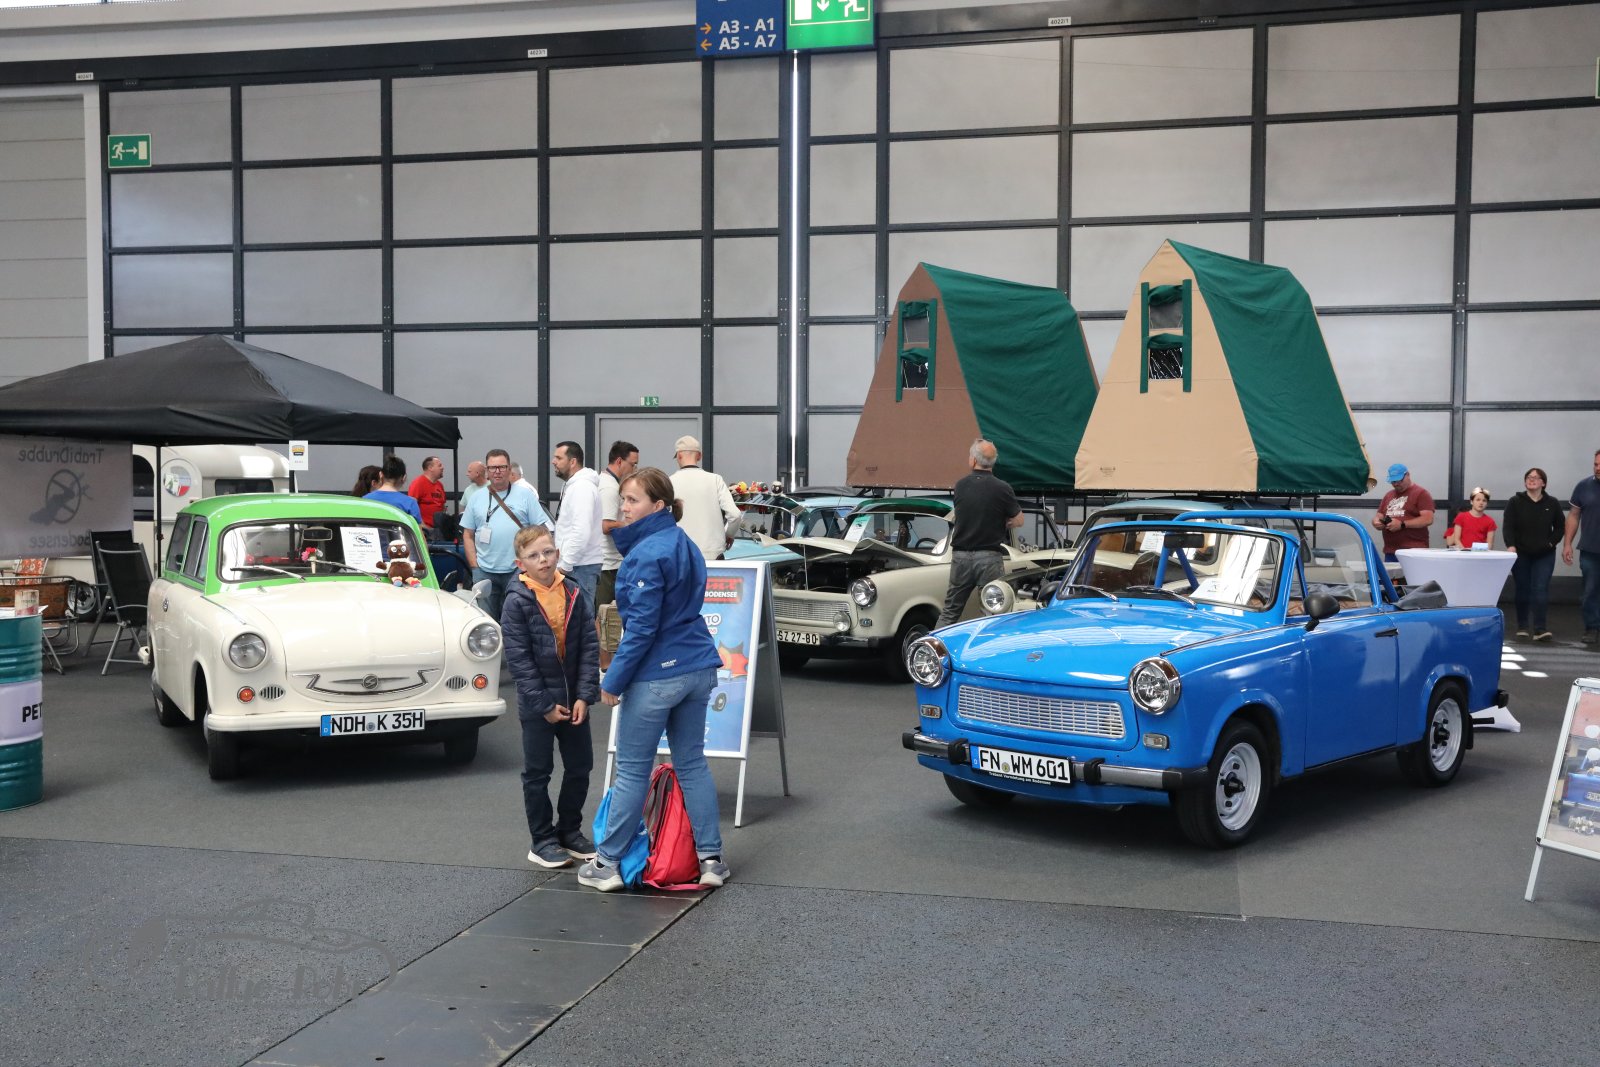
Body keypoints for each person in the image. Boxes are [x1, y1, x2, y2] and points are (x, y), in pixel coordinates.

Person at [578, 467, 729, 893]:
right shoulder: (684, 543)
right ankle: (712, 861)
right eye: (623, 499)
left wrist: (613, 680)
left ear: (658, 505)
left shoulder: (645, 553)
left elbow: (642, 628)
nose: (624, 508)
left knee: (631, 770)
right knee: (692, 763)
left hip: (658, 673)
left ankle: (607, 864)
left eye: (633, 500)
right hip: (698, 665)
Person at [501, 524, 599, 869]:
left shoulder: (573, 590)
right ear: (520, 564)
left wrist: (585, 695)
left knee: (580, 767)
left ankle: (569, 831)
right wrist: (543, 704)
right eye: (533, 556)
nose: (542, 560)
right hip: (538, 706)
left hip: (574, 701)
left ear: (557, 554)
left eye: (547, 552)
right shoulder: (516, 601)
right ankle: (542, 839)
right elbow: (519, 661)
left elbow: (589, 646)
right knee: (538, 772)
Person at [936, 438, 1023, 627]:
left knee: (950, 611)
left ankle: (935, 643)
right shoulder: (1002, 488)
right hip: (989, 558)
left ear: (974, 460)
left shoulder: (960, 486)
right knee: (991, 611)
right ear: (993, 462)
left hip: (960, 557)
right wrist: (1002, 522)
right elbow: (1019, 520)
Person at [461, 448, 552, 622]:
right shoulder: (476, 498)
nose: (497, 471)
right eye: (493, 468)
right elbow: (468, 534)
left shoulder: (525, 495)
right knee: (487, 621)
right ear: (487, 471)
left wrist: (532, 564)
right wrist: (475, 567)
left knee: (518, 620)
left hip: (518, 570)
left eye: (502, 467)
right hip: (484, 571)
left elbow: (541, 532)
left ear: (509, 469)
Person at [1503, 467, 1565, 642]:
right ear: (1525, 481)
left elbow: (1560, 527)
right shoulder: (1515, 502)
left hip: (1544, 554)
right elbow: (1508, 526)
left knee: (1540, 588)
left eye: (1536, 478)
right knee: (1522, 588)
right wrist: (1511, 545)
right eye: (1529, 477)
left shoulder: (1552, 503)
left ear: (1543, 483)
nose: (1532, 480)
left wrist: (1551, 543)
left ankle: (1540, 629)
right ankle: (1522, 626)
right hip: (1521, 553)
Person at [551, 440, 605, 612]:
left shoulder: (582, 487)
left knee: (580, 620)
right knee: (573, 619)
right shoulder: (573, 485)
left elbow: (581, 531)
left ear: (573, 461)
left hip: (579, 567)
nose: (553, 461)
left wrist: (565, 566)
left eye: (558, 458)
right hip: (576, 565)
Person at [668, 434, 740, 561]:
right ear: (699, 456)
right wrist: (729, 535)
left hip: (682, 555)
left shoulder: (669, 482)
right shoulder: (715, 480)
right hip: (713, 555)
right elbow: (735, 514)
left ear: (678, 456)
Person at [596, 440, 641, 612]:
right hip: (608, 565)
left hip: (610, 562)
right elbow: (606, 525)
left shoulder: (606, 481)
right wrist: (633, 524)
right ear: (619, 461)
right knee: (604, 615)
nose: (635, 469)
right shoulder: (609, 487)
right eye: (633, 464)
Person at [1562, 449, 1600, 645]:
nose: (1598, 468)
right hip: (1590, 551)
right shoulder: (1583, 486)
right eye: (1596, 464)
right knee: (1590, 591)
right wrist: (1567, 544)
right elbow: (1574, 516)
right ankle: (1592, 627)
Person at [1373, 462, 1435, 561]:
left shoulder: (1421, 493)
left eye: (1399, 480)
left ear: (1408, 475)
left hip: (1414, 552)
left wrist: (1402, 524)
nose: (1396, 484)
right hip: (1391, 551)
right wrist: (1376, 522)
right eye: (1393, 481)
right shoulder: (1388, 495)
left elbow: (1428, 519)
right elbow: (1379, 515)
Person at [363, 455, 423, 523]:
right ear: (404, 478)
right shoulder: (410, 503)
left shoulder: (365, 500)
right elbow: (417, 529)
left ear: (380, 475)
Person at [407, 455, 447, 532]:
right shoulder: (418, 483)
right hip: (425, 530)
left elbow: (442, 507)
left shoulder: (440, 485)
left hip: (439, 530)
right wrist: (423, 526)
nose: (442, 467)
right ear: (430, 468)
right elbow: (411, 507)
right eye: (439, 465)